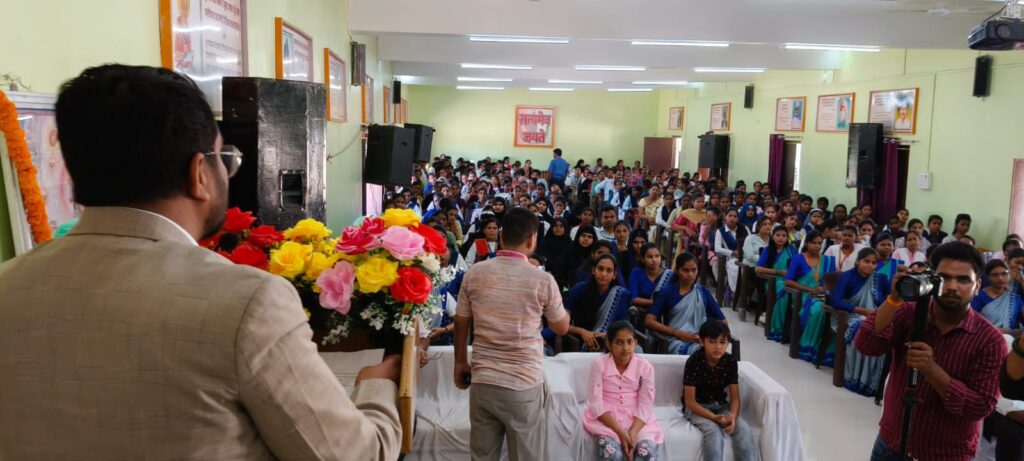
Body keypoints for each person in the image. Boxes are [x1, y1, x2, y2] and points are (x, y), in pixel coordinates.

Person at [0, 65, 402, 459]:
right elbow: (353, 455)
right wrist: (375, 386)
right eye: (223, 157)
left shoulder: (8, 283)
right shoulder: (247, 302)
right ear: (200, 174)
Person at [855, 242, 1007, 461]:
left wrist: (932, 371)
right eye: (944, 278)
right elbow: (866, 345)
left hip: (945, 455)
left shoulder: (990, 341)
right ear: (932, 279)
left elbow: (980, 407)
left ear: (977, 285)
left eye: (963, 280)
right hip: (890, 443)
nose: (952, 286)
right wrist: (894, 298)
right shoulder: (908, 314)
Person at [454, 208, 570, 461]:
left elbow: (461, 321)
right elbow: (561, 327)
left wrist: (460, 362)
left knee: (482, 457)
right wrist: (565, 312)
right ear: (532, 239)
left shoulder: (475, 273)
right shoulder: (542, 280)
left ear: (501, 236)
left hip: (483, 381)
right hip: (522, 385)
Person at [584, 321, 663, 461]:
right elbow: (595, 404)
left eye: (629, 342)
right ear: (609, 344)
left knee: (646, 454)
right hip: (606, 419)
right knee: (612, 454)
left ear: (635, 343)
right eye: (619, 342)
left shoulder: (645, 367)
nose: (625, 348)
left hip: (637, 419)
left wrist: (633, 432)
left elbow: (646, 404)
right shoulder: (598, 365)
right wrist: (621, 432)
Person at [682, 320, 759, 461]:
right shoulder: (694, 362)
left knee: (743, 430)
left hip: (721, 405)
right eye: (712, 342)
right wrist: (714, 418)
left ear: (728, 343)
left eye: (722, 342)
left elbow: (735, 398)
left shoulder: (730, 362)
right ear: (702, 342)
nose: (718, 347)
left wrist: (733, 417)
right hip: (698, 407)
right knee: (714, 433)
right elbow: (690, 402)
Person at [829, 248, 891, 396]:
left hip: (873, 315)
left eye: (873, 263)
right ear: (857, 261)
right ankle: (856, 378)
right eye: (866, 261)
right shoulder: (847, 276)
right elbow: (835, 301)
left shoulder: (880, 279)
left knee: (884, 330)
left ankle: (874, 382)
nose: (870, 265)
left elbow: (888, 299)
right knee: (865, 328)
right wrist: (862, 311)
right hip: (849, 316)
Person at [645, 252, 726, 355]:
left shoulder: (703, 292)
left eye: (694, 270)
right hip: (676, 340)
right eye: (685, 270)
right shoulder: (666, 292)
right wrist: (677, 332)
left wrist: (707, 336)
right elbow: (649, 321)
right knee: (701, 353)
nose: (690, 274)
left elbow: (723, 322)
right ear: (677, 270)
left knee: (714, 352)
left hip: (701, 339)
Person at [784, 231, 837, 364]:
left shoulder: (828, 260)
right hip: (803, 296)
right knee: (819, 309)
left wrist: (826, 291)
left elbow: (831, 282)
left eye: (820, 243)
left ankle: (827, 351)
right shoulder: (798, 259)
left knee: (837, 311)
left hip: (823, 295)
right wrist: (810, 289)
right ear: (807, 243)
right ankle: (808, 347)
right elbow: (788, 281)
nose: (817, 246)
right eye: (814, 243)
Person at [563, 254, 632, 352]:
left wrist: (609, 335)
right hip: (582, 340)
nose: (603, 274)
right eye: (600, 269)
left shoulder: (620, 295)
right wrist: (582, 332)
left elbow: (623, 326)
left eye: (609, 270)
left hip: (612, 341)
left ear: (614, 275)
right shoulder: (579, 289)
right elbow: (562, 322)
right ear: (593, 270)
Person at [757, 225, 798, 342]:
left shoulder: (791, 249)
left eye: (784, 236)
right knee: (785, 293)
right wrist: (779, 272)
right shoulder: (768, 250)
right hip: (773, 281)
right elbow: (758, 269)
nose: (781, 238)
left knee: (799, 294)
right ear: (772, 236)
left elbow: (797, 266)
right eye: (778, 235)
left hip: (789, 279)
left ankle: (791, 331)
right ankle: (777, 329)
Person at [971, 259, 1024, 334]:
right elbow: (971, 323)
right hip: (984, 337)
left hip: (1010, 338)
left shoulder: (1015, 298)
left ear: (1009, 275)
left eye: (1004, 274)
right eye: (995, 275)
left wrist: (1010, 332)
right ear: (988, 276)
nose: (1000, 278)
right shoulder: (979, 297)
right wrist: (994, 331)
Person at [628, 243, 672, 313]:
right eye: (650, 257)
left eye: (657, 256)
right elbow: (633, 299)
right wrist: (656, 302)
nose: (654, 260)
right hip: (641, 314)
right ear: (642, 259)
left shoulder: (669, 275)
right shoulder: (636, 273)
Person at [715, 208, 749, 296]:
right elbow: (717, 248)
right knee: (736, 268)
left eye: (735, 216)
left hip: (746, 256)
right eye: (730, 216)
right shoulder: (721, 231)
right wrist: (732, 253)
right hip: (731, 258)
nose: (732, 218)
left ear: (737, 219)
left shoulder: (744, 229)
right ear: (725, 217)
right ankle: (737, 293)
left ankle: (749, 294)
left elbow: (750, 242)